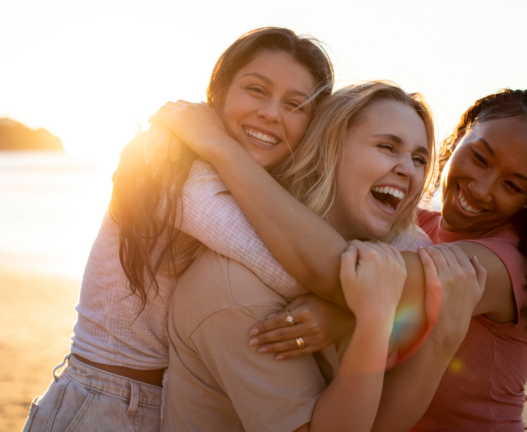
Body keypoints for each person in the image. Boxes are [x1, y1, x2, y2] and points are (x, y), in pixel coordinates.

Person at [150, 88, 527, 431]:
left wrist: (223, 152)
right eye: (479, 157)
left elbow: (344, 275)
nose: (481, 187)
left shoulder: (502, 267)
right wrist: (352, 309)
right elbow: (377, 295)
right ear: (458, 139)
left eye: (514, 185)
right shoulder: (413, 227)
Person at [22, 27, 336, 432]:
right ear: (218, 94)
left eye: (295, 105)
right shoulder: (180, 169)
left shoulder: (249, 185)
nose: (272, 113)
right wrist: (344, 309)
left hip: (144, 402)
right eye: (257, 90)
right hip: (108, 404)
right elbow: (291, 271)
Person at [160, 81, 487, 432]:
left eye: (419, 158)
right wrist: (374, 321)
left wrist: (442, 338)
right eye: (387, 146)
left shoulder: (386, 265)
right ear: (322, 155)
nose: (409, 170)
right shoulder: (235, 291)